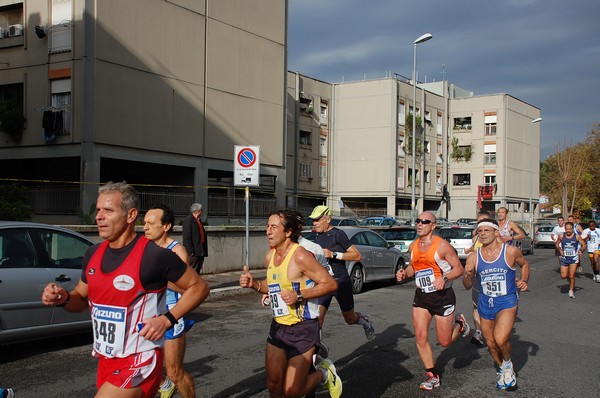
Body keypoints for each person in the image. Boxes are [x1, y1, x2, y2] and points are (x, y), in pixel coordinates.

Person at [41, 182, 210, 398]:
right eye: (99, 209)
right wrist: (63, 298)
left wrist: (167, 319)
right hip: (106, 360)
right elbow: (80, 299)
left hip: (140, 360)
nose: (99, 216)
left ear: (130, 216)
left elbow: (200, 287)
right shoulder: (92, 254)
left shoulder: (153, 255)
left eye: (108, 210)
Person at [239, 209, 341, 398]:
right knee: (273, 385)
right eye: (267, 226)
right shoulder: (270, 257)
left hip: (303, 329)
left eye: (274, 227)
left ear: (287, 232)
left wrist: (299, 295)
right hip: (278, 327)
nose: (268, 231)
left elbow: (330, 284)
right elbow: (273, 286)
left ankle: (324, 374)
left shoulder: (301, 256)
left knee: (292, 392)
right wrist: (254, 284)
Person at [396, 211, 469, 391]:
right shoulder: (413, 246)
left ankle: (460, 324)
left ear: (433, 226)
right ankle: (432, 375)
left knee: (445, 342)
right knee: (420, 337)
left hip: (442, 296)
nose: (419, 224)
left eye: (424, 221)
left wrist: (444, 278)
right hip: (421, 296)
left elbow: (459, 268)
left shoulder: (442, 246)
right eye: (418, 221)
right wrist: (405, 273)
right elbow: (414, 266)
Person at [463, 219, 530, 390]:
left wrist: (523, 281)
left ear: (496, 232)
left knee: (500, 339)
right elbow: (467, 285)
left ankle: (507, 364)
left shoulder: (510, 252)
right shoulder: (474, 257)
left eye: (486, 230)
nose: (483, 234)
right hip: (485, 302)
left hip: (507, 300)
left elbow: (525, 264)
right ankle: (503, 368)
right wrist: (467, 275)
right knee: (491, 343)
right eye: (480, 231)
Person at [143, 204, 196, 398]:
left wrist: (162, 275)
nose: (145, 227)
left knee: (175, 372)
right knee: (141, 366)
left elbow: (188, 287)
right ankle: (164, 385)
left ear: (166, 226)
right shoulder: (142, 248)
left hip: (171, 315)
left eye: (151, 223)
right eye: (145, 223)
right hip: (148, 315)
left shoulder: (177, 251)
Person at [309, 205, 375, 341]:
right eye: (313, 220)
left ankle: (364, 320)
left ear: (328, 219)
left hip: (340, 281)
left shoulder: (338, 234)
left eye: (317, 220)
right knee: (317, 320)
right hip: (324, 283)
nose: (314, 223)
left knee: (350, 319)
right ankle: (315, 353)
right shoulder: (318, 236)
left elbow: (357, 256)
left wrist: (333, 254)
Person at [463, 210, 491, 347]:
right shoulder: (476, 237)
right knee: (476, 305)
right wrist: (468, 251)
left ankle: (491, 329)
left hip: (490, 276)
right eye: (479, 222)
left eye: (484, 221)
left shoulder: (497, 238)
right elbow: (473, 250)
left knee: (491, 306)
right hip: (477, 276)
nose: (481, 226)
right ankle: (478, 333)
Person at [555, 222, 586, 298]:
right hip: (565, 258)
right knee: (563, 276)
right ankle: (569, 279)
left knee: (572, 275)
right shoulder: (561, 236)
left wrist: (581, 250)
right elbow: (556, 243)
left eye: (570, 229)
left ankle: (571, 291)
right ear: (565, 229)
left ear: (572, 229)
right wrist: (560, 250)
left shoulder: (577, 237)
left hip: (573, 258)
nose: (568, 231)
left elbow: (584, 244)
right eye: (567, 229)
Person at [183, 203, 208, 274]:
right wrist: (190, 251)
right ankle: (190, 284)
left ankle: (195, 284)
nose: (201, 212)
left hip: (200, 250)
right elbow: (187, 237)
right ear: (198, 211)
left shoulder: (198, 221)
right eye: (201, 210)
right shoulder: (188, 220)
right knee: (192, 270)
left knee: (197, 269)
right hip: (194, 252)